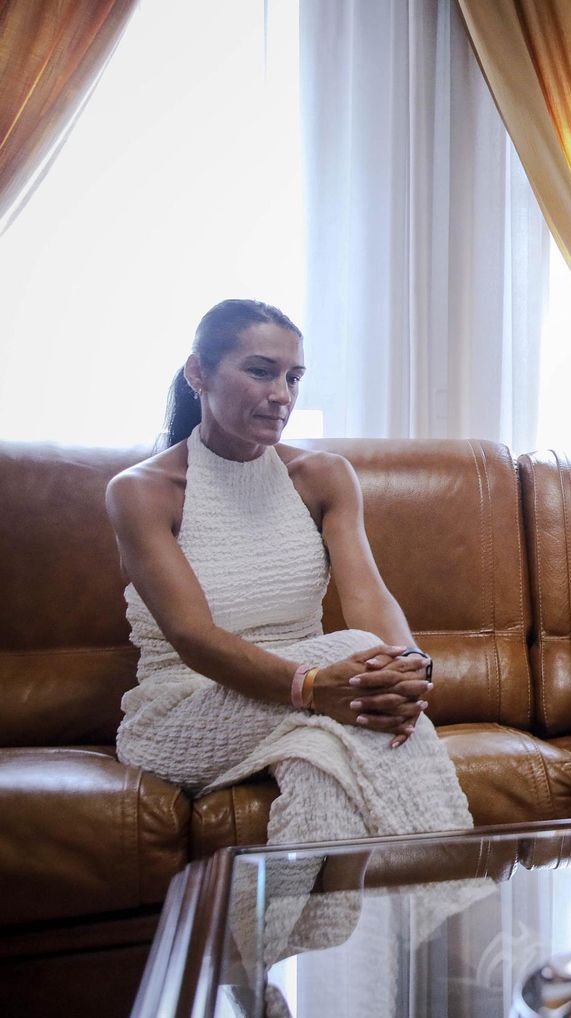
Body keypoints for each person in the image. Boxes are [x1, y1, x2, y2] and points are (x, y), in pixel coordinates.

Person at [111, 299, 473, 849]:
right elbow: (192, 637)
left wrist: (410, 671)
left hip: (320, 697)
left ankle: (307, 933)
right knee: (350, 651)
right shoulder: (141, 492)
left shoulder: (323, 477)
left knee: (322, 764)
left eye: (293, 377)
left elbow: (369, 594)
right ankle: (448, 904)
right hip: (182, 711)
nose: (281, 395)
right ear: (198, 373)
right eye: (260, 371)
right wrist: (309, 686)